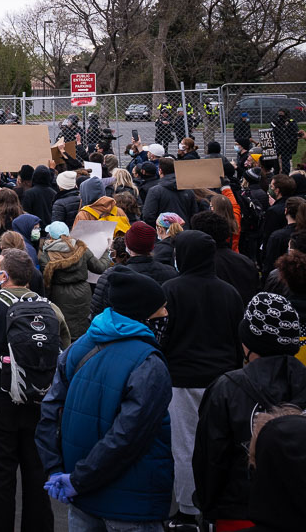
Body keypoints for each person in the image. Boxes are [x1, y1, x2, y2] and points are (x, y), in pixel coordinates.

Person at [36, 267, 173, 532]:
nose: (166, 315)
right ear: (142, 312)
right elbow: (129, 436)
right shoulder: (149, 362)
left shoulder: (80, 346)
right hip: (133, 504)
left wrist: (56, 471)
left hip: (81, 498)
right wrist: (78, 480)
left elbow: (50, 412)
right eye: (162, 309)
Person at [0, 247, 71, 532]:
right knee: (37, 477)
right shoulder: (51, 308)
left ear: (3, 275)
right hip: (41, 402)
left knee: (1, 480)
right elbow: (65, 353)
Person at [157, 227, 246, 530]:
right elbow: (238, 339)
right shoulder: (229, 292)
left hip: (181, 380)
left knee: (184, 446)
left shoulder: (171, 289)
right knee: (219, 446)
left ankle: (185, 510)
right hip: (222, 381)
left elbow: (163, 335)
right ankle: (212, 507)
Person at [193, 292, 306, 529]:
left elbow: (210, 459)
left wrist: (208, 506)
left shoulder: (226, 388)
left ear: (248, 340)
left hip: (238, 512)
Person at [39, 220, 110, 339]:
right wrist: (107, 252)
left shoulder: (46, 256)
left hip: (60, 295)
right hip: (83, 292)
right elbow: (100, 268)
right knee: (84, 327)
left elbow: (47, 281)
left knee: (64, 329)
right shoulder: (81, 249)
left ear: (51, 236)